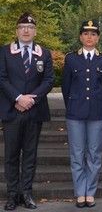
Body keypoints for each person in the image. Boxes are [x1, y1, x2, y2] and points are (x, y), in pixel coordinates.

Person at [0, 12, 54, 210]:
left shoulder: (44, 53)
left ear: (35, 31)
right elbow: (2, 78)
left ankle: (27, 193)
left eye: (30, 28)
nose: (26, 30)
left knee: (30, 155)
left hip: (34, 110)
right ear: (16, 31)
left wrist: (31, 99)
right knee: (11, 155)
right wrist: (18, 98)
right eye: (22, 27)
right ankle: (12, 195)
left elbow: (48, 80)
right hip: (12, 111)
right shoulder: (5, 52)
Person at [62, 20, 102, 208]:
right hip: (75, 113)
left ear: (98, 37)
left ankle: (90, 192)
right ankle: (79, 192)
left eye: (93, 34)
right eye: (85, 34)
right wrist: (73, 105)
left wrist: (99, 102)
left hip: (97, 114)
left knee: (94, 154)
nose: (89, 37)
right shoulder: (71, 59)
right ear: (80, 37)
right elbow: (66, 87)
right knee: (77, 154)